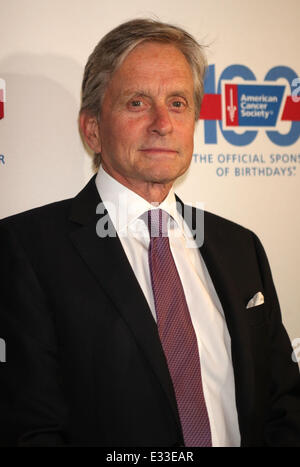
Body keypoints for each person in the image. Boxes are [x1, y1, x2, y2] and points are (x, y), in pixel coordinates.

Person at [0, 18, 300, 448]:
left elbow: (282, 401)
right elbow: (28, 426)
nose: (162, 122)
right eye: (138, 102)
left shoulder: (240, 246)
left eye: (177, 103)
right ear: (93, 128)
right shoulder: (24, 249)